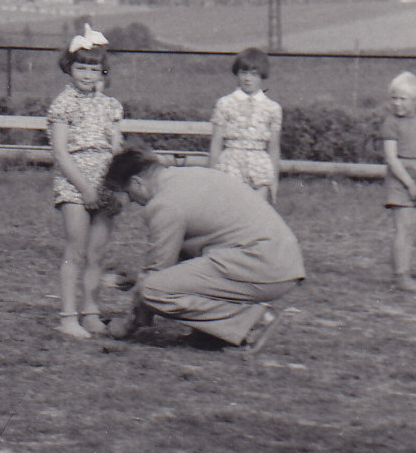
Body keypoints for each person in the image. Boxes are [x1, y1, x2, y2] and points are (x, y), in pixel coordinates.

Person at [101, 149, 305, 353]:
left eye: (130, 194)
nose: (134, 202)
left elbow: (156, 272)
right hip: (280, 262)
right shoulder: (193, 175)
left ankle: (252, 321)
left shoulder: (164, 204)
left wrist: (128, 325)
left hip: (261, 266)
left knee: (153, 290)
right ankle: (214, 333)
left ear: (137, 182)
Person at [47, 26, 124, 339]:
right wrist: (85, 189)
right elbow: (61, 153)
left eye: (94, 69)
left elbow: (116, 148)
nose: (87, 75)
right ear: (69, 68)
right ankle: (68, 316)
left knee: (97, 253)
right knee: (75, 251)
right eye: (81, 68)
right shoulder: (63, 104)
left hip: (105, 182)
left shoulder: (110, 105)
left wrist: (115, 184)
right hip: (74, 184)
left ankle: (91, 311)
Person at [381, 71, 416, 294]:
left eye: (403, 99)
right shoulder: (391, 123)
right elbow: (391, 158)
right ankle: (401, 276)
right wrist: (410, 185)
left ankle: (403, 268)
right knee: (402, 229)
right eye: (394, 98)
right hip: (401, 182)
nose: (397, 103)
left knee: (410, 229)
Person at [208, 47, 282, 206]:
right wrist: (212, 176)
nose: (248, 79)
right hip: (231, 164)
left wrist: (274, 180)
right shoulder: (225, 103)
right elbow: (216, 143)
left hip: (260, 167)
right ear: (237, 74)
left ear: (262, 76)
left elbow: (274, 147)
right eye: (244, 73)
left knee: (257, 210)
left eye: (254, 74)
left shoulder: (272, 108)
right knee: (231, 210)